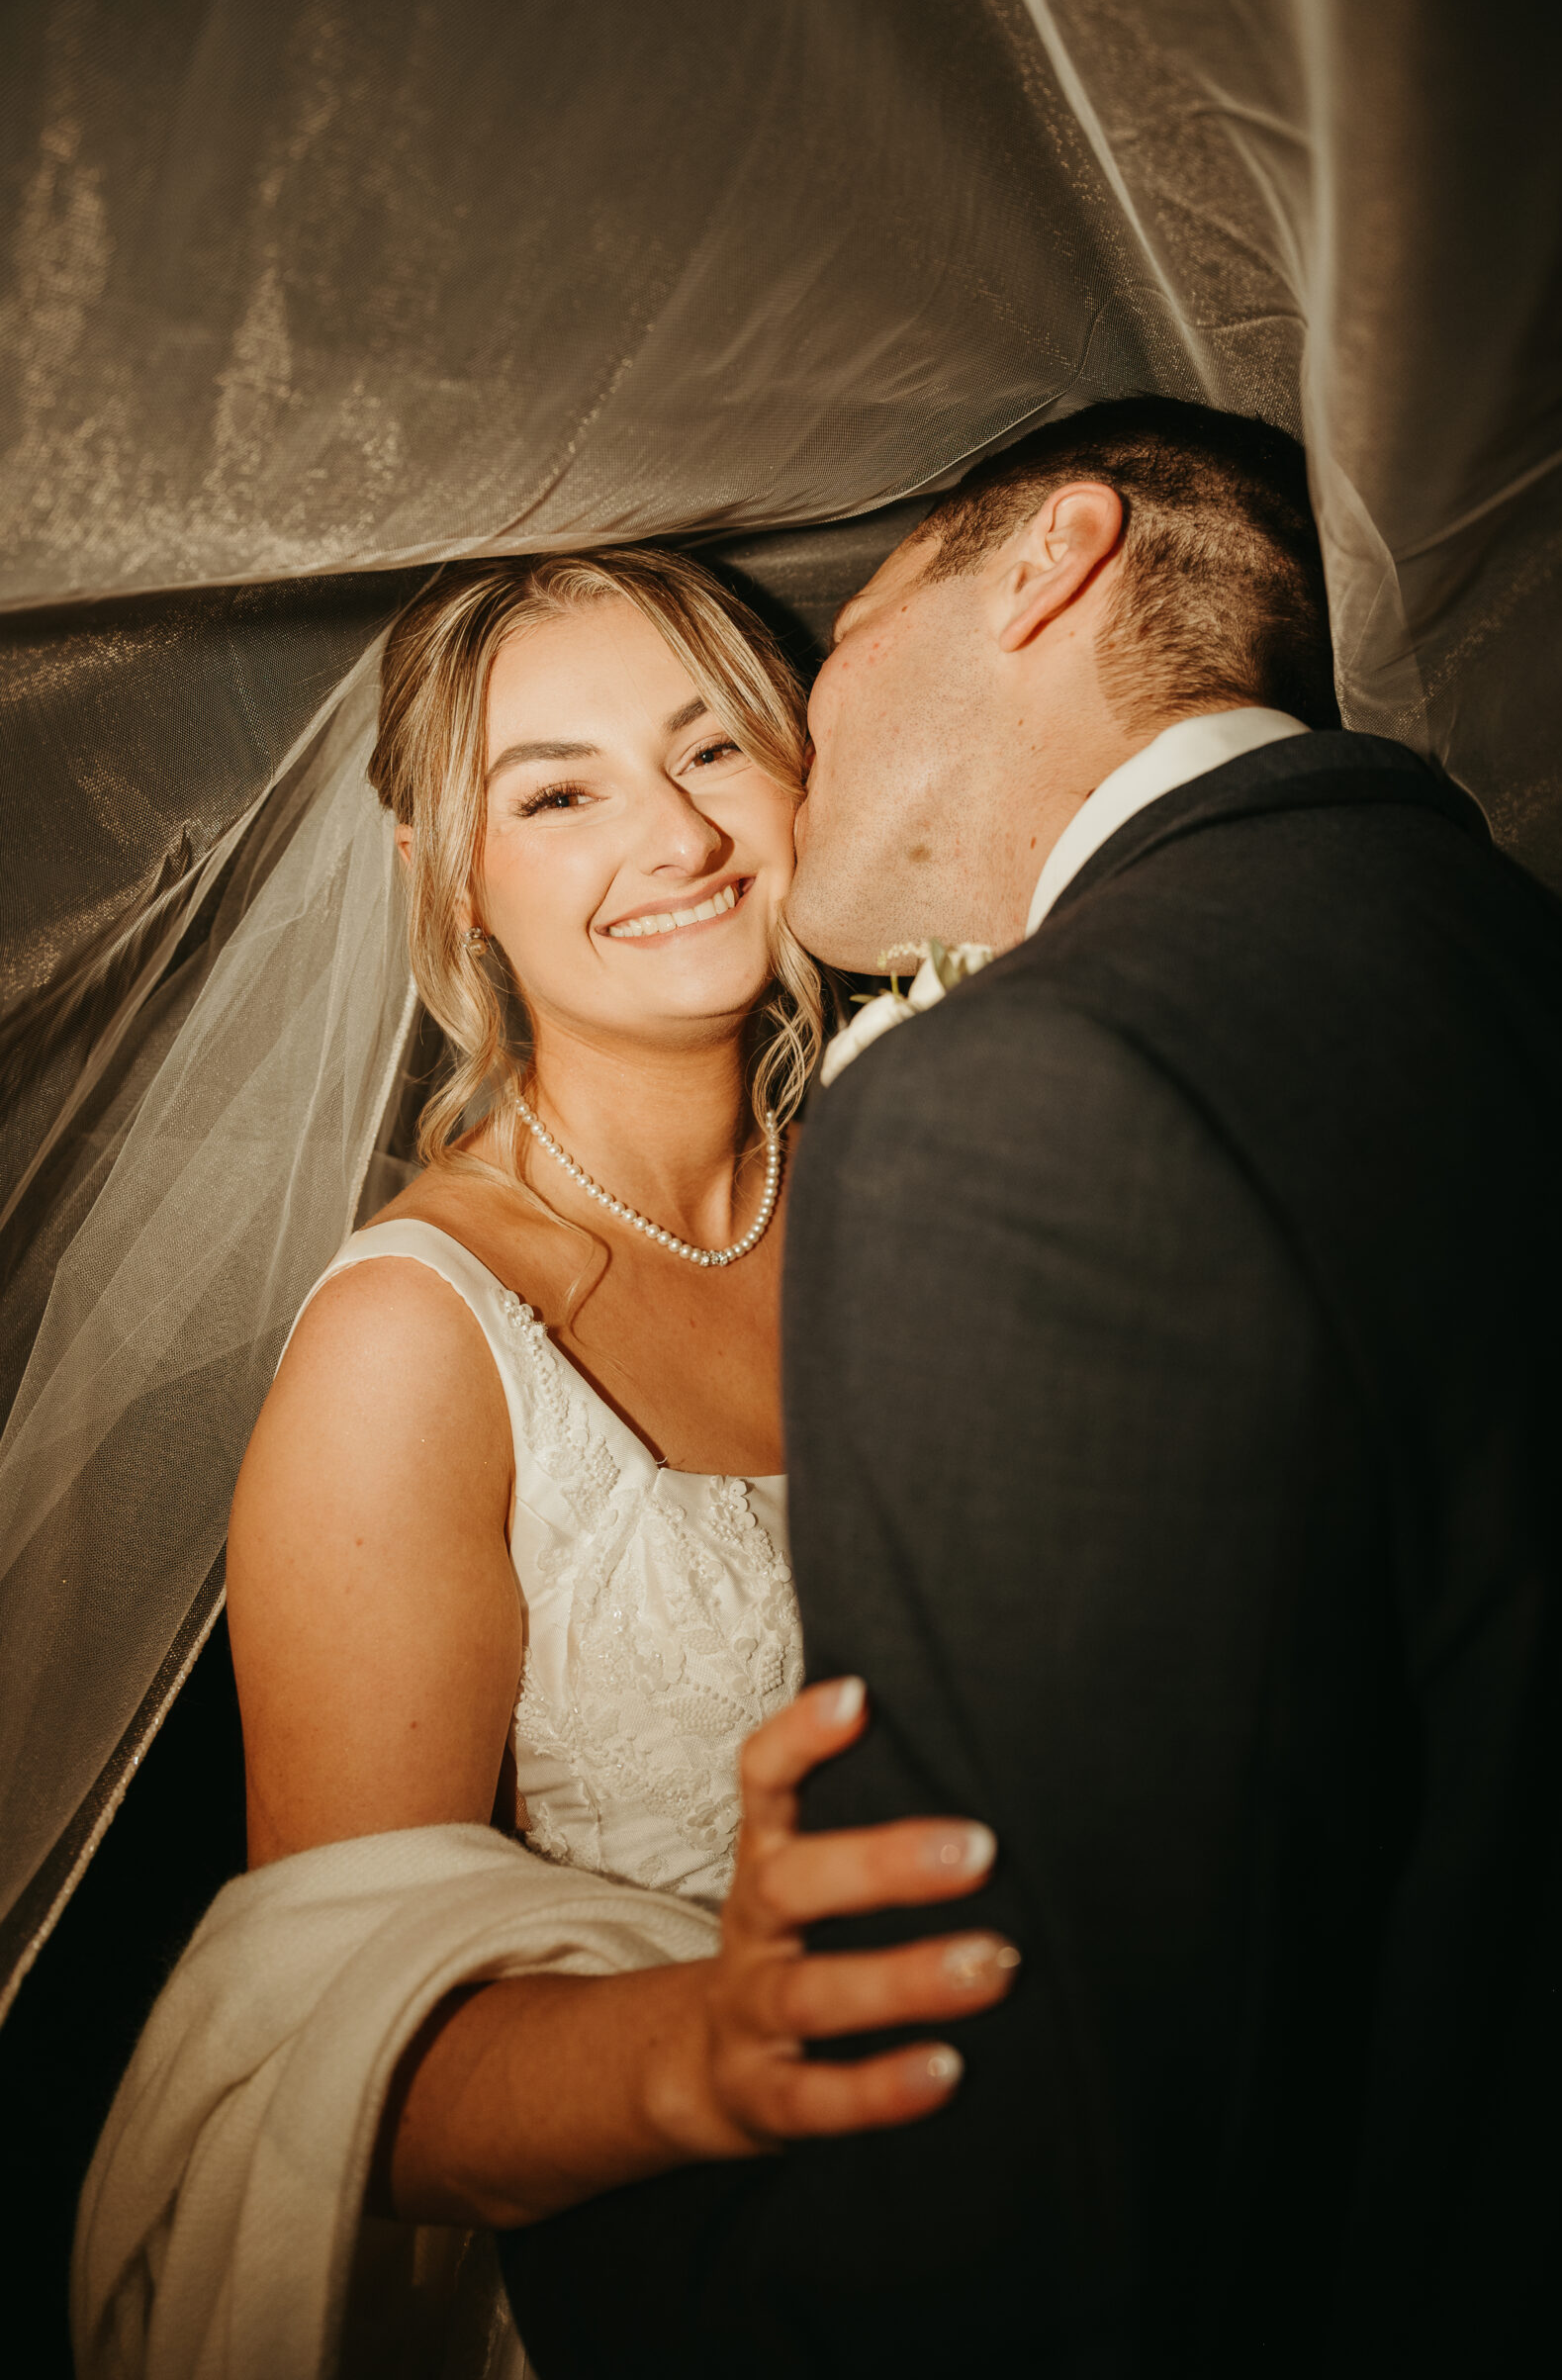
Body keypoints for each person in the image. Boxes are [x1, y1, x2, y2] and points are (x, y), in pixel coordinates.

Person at [499, 401, 1562, 2378]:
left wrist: (587, 2251)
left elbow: (1056, 2210)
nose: (789, 748)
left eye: (842, 637)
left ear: (1052, 558)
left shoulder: (1018, 1097)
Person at [72, 549, 1016, 2380]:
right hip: (675, 2296)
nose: (676, 836)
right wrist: (716, 2046)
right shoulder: (416, 1342)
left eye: (713, 749)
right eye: (559, 794)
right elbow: (330, 2060)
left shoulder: (943, 1167)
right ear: (454, 883)